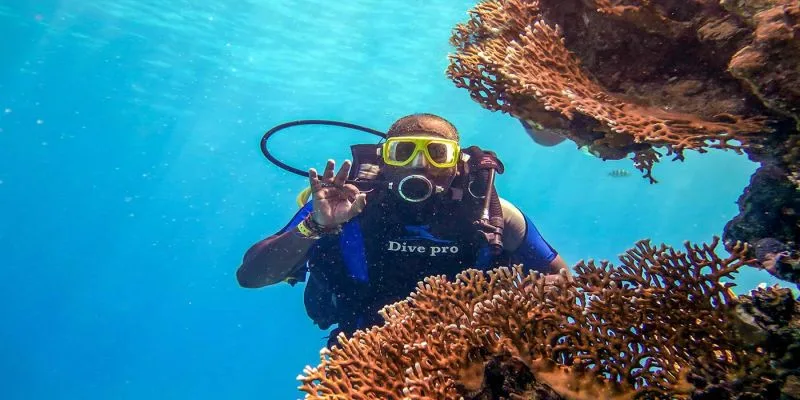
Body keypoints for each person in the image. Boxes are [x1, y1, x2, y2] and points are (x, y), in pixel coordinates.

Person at [237, 114, 568, 345]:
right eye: (404, 151)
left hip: (473, 347)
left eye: (437, 153)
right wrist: (316, 226)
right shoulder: (339, 206)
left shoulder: (495, 214)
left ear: (457, 165)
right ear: (384, 160)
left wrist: (512, 320)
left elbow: (560, 279)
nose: (419, 164)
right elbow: (251, 277)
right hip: (364, 350)